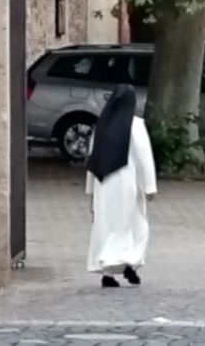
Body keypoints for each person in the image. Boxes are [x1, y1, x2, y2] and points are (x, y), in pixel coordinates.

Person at [85, 84, 157, 287]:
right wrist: (149, 186)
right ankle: (129, 264)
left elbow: (93, 158)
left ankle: (108, 271)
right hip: (127, 182)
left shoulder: (101, 125)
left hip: (104, 183)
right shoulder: (136, 126)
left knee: (106, 226)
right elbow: (144, 158)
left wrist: (91, 188)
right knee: (134, 224)